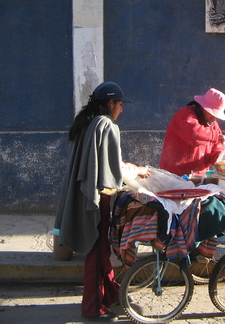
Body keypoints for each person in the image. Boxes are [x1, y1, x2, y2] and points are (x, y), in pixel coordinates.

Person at [54, 81, 150, 320]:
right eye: (120, 104)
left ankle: (109, 295)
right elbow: (113, 169)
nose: (122, 109)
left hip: (85, 195)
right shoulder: (106, 125)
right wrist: (137, 170)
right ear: (110, 103)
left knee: (102, 251)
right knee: (96, 253)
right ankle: (91, 307)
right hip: (99, 199)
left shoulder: (86, 123)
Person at [159, 88, 225, 176]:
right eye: (211, 113)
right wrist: (215, 137)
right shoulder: (185, 114)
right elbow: (194, 134)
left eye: (216, 115)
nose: (214, 118)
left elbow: (215, 153)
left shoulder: (214, 126)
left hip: (199, 177)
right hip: (174, 176)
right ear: (202, 107)